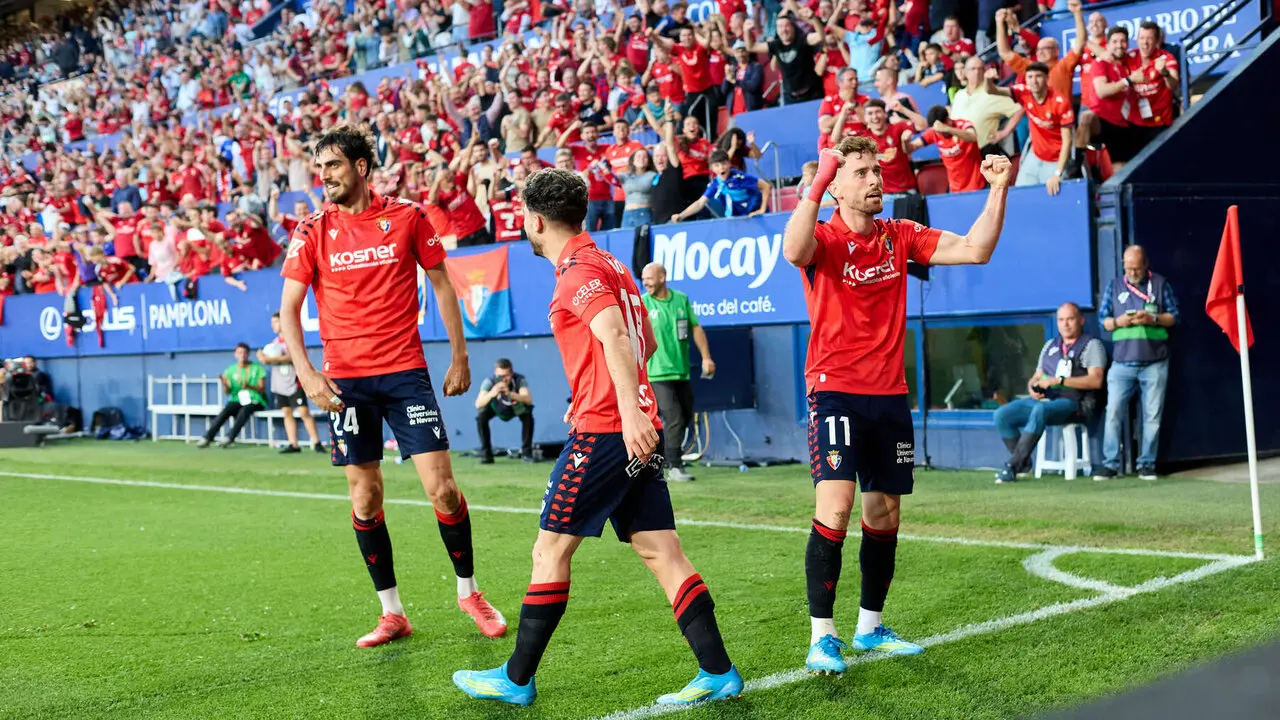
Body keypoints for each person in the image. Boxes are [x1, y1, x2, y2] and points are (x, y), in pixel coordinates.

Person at [452, 168, 743, 707]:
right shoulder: (612, 264)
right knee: (662, 553)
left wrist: (623, 411)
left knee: (549, 550)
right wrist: (597, 396)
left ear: (535, 220)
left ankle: (515, 679)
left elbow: (613, 334)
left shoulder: (577, 271)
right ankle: (718, 672)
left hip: (609, 434)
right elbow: (646, 341)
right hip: (632, 428)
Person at [783, 136, 1012, 672]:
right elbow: (793, 252)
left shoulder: (899, 235)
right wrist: (817, 181)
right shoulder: (822, 238)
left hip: (889, 396)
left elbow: (976, 249)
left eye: (876, 170)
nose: (874, 180)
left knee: (884, 512)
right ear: (835, 187)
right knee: (836, 506)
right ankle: (822, 637)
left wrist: (998, 189)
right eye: (860, 173)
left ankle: (870, 627)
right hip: (835, 389)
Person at [277, 125, 507, 648]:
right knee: (365, 496)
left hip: (405, 373)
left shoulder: (406, 216)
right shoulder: (311, 230)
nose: (324, 175)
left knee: (443, 491)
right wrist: (307, 374)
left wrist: (460, 355)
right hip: (346, 383)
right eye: (320, 167)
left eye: (333, 165)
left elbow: (443, 283)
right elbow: (289, 309)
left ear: (361, 166)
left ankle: (470, 592)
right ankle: (392, 612)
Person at [993, 303, 1106, 483]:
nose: (1065, 324)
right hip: (1047, 400)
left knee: (1040, 411)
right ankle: (1025, 464)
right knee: (1002, 415)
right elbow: (1036, 376)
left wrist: (1059, 381)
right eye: (1061, 320)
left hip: (1074, 403)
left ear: (1081, 320)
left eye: (1070, 319)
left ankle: (1012, 465)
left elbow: (1096, 380)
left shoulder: (1092, 345)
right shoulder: (1050, 345)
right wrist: (1032, 387)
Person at [1094, 245, 1179, 481]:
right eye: (1128, 267)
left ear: (1146, 264)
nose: (1132, 272)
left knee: (1152, 416)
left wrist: (1153, 319)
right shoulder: (1114, 286)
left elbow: (1174, 317)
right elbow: (1103, 321)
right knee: (1113, 413)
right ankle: (1110, 464)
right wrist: (1119, 321)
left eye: (1136, 268)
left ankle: (1147, 464)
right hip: (1122, 363)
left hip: (1155, 362)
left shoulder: (1161, 284)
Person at [639, 261, 715, 482]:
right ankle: (674, 466)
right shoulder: (643, 304)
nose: (646, 283)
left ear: (662, 278)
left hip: (681, 371)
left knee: (685, 416)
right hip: (657, 373)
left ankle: (661, 460)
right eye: (644, 280)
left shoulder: (681, 299)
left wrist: (706, 357)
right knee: (673, 417)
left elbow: (695, 328)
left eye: (649, 279)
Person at [988, 63, 1075, 195]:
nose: (1034, 81)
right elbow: (992, 90)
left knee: (1051, 196)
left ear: (1047, 78)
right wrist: (988, 80)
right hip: (1035, 156)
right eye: (1030, 77)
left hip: (1055, 160)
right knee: (1020, 194)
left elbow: (1067, 141)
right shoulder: (1024, 92)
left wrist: (1058, 173)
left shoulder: (1060, 102)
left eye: (1038, 76)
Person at [258, 311, 325, 454]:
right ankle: (293, 443)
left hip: (294, 381)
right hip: (280, 383)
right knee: (287, 412)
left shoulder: (292, 339)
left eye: (276, 322)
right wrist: (263, 356)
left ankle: (316, 442)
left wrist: (269, 359)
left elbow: (293, 357)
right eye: (272, 323)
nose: (273, 325)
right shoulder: (274, 344)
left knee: (303, 412)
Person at [197, 343, 268, 449]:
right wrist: (224, 384)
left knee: (244, 411)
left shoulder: (257, 368)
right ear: (235, 354)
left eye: (244, 353)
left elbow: (262, 389)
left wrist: (249, 386)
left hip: (256, 400)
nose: (242, 355)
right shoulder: (230, 370)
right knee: (226, 411)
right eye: (240, 352)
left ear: (248, 354)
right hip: (237, 399)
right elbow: (227, 392)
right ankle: (207, 437)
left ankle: (229, 437)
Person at [669, 150, 770, 221]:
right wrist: (681, 216)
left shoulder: (739, 177)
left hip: (755, 216)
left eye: (724, 164)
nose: (721, 168)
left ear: (729, 164)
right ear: (712, 168)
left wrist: (762, 209)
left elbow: (765, 186)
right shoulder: (715, 184)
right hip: (738, 220)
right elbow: (700, 203)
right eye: (717, 165)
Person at [474, 358, 535, 463]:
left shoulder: (520, 380)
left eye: (506, 376)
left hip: (515, 407)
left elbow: (528, 399)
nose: (503, 379)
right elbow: (478, 403)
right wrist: (492, 393)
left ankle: (526, 454)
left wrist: (510, 393)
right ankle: (486, 455)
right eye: (500, 376)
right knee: (481, 415)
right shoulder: (489, 382)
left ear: (511, 373)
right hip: (496, 407)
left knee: (527, 414)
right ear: (495, 373)